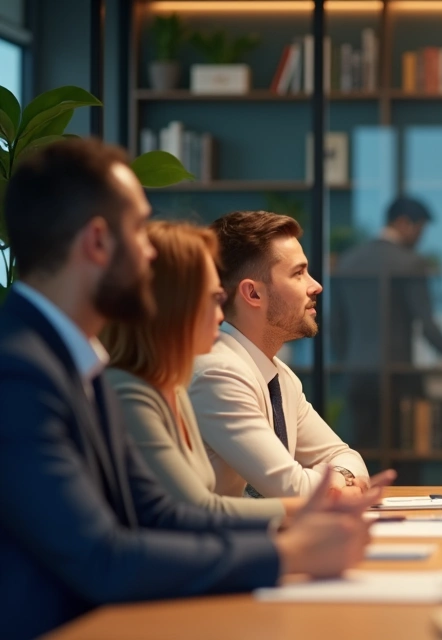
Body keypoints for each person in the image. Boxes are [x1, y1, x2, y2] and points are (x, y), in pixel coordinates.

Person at [0, 138, 384, 639]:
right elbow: (101, 557)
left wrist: (300, 528)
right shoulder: (20, 372)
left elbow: (160, 514)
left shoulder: (76, 363)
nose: (151, 250)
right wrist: (288, 552)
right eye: (139, 229)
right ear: (97, 242)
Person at [101, 221, 304, 519]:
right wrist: (312, 508)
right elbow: (197, 510)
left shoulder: (172, 387)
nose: (221, 315)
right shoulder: (130, 392)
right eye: (213, 299)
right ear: (174, 307)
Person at [189, 211, 369, 499]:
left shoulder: (279, 377)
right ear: (254, 294)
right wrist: (337, 485)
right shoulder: (217, 372)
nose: (316, 286)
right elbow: (291, 491)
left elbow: (345, 456)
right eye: (298, 273)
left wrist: (338, 478)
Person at [331, 196, 442, 449]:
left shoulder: (347, 262)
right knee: (402, 454)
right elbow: (426, 323)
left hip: (356, 374)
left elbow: (336, 326)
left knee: (363, 452)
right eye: (420, 229)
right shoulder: (410, 263)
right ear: (404, 223)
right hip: (396, 375)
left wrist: (346, 362)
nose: (421, 238)